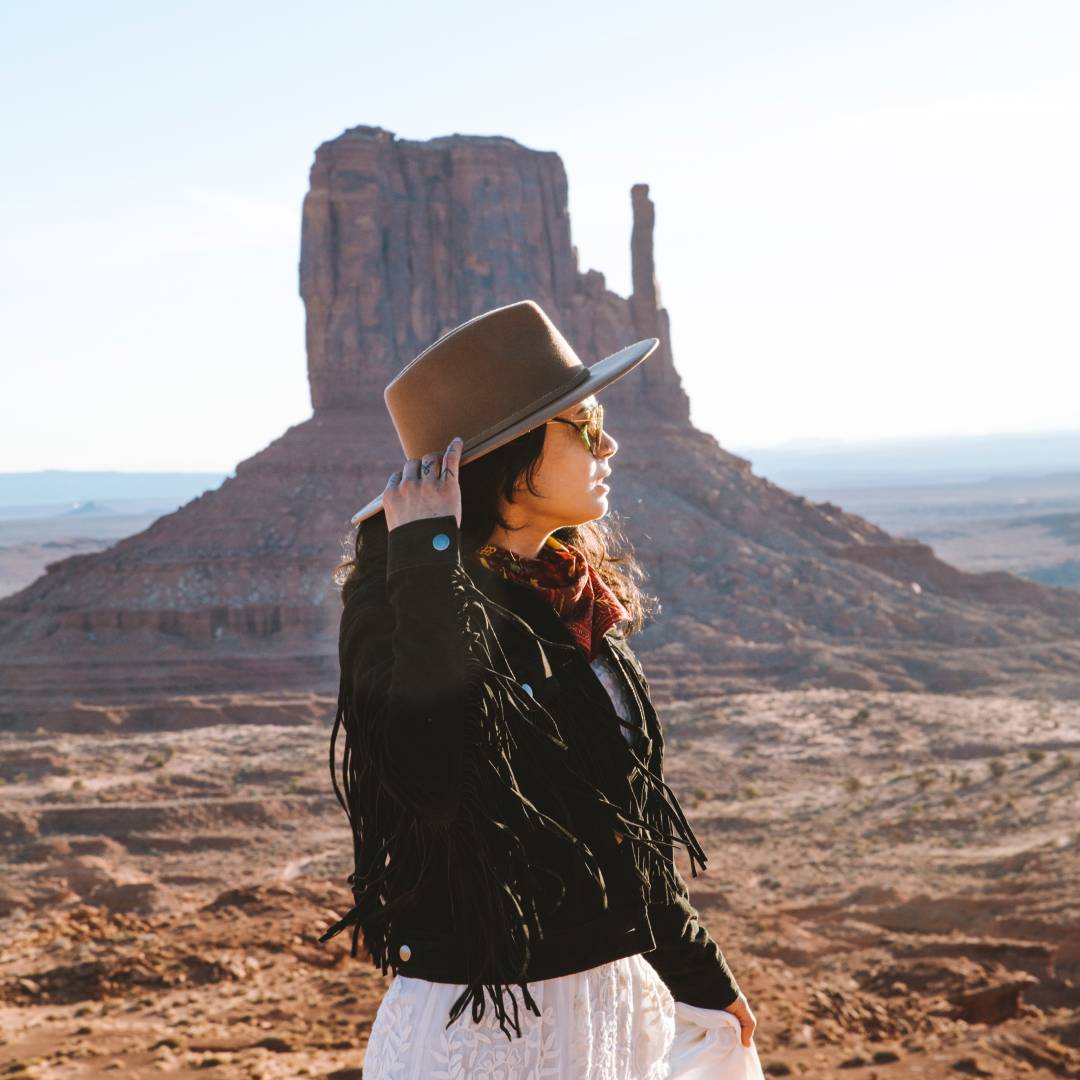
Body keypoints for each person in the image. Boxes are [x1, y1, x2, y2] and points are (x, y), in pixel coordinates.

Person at [321, 300, 765, 1078]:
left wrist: (702, 973)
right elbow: (431, 778)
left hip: (616, 1006)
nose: (611, 442)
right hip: (489, 1029)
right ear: (509, 451)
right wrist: (426, 558)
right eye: (586, 426)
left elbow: (620, 823)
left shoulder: (569, 600)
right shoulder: (400, 600)